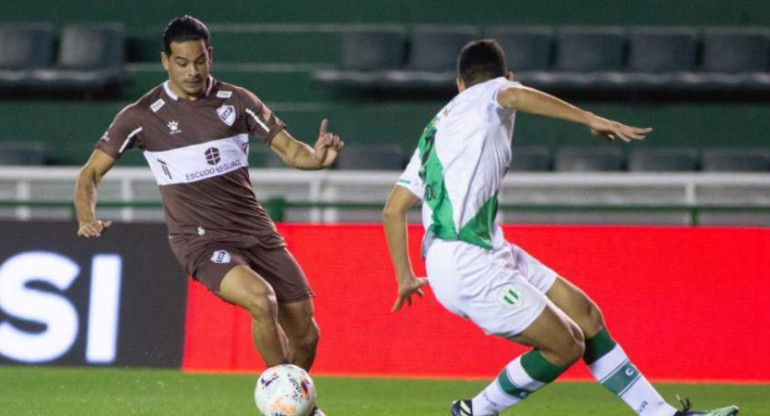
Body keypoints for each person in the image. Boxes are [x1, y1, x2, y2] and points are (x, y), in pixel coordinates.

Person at [382, 39, 738, 416]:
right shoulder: (492, 94)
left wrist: (405, 275)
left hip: (478, 251)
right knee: (566, 344)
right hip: (466, 262)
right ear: (509, 77)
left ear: (458, 83)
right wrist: (589, 118)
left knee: (586, 317)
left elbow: (393, 210)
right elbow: (513, 97)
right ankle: (477, 410)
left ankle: (660, 414)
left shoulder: (435, 131)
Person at [74, 16, 341, 416]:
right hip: (200, 240)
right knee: (261, 299)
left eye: (199, 61)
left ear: (210, 56)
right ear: (166, 61)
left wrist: (316, 159)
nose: (193, 71)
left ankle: (285, 407)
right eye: (182, 62)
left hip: (255, 230)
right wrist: (86, 216)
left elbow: (290, 150)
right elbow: (90, 173)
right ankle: (287, 405)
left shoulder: (238, 102)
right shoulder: (142, 115)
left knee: (305, 333)